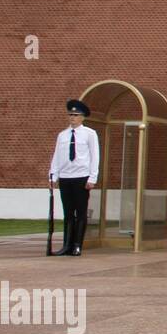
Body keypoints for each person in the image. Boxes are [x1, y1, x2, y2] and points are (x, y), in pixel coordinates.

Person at [48, 98, 99, 257]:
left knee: (81, 212)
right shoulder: (62, 135)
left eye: (76, 115)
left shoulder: (89, 134)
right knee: (68, 213)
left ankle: (77, 245)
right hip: (65, 177)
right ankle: (66, 245)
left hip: (81, 177)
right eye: (70, 114)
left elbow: (95, 155)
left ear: (82, 117)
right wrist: (53, 175)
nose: (72, 117)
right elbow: (57, 156)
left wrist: (92, 177)